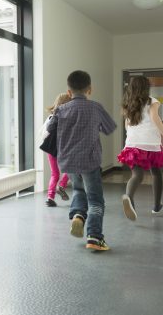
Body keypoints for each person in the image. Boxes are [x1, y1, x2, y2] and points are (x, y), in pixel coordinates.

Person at [46, 70, 116, 251]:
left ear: (69, 92)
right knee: (95, 200)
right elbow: (109, 128)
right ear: (90, 90)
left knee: (78, 190)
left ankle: (78, 215)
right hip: (90, 160)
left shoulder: (61, 109)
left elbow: (50, 129)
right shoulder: (96, 107)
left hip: (68, 161)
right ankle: (94, 237)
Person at [117, 76, 163, 221]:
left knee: (137, 175)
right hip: (150, 144)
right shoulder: (152, 101)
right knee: (155, 173)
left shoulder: (127, 103)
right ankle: (156, 206)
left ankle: (129, 198)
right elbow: (155, 118)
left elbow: (126, 125)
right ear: (146, 87)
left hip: (132, 143)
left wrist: (130, 140)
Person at [40, 93, 71, 207]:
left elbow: (43, 135)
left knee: (55, 173)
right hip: (64, 148)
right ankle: (62, 185)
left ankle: (50, 198)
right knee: (71, 168)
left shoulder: (51, 117)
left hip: (51, 149)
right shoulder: (69, 118)